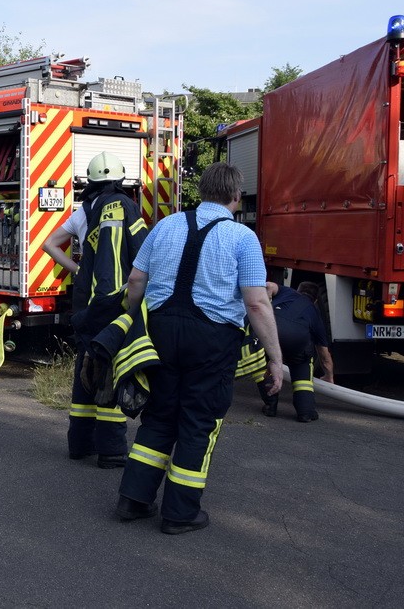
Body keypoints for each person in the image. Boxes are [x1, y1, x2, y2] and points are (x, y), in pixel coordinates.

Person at [114, 162, 283, 534]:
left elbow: (136, 280)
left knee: (159, 415)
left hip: (161, 333)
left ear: (202, 191)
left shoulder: (165, 225)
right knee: (198, 422)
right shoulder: (242, 238)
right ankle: (180, 513)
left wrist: (131, 324)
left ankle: (133, 499)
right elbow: (256, 302)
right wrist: (274, 358)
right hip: (211, 340)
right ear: (237, 196)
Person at [42, 151, 148, 469]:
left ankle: (80, 445)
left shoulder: (83, 211)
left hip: (87, 305)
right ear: (119, 180)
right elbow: (141, 255)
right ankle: (112, 451)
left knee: (85, 372)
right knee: (110, 373)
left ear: (91, 181)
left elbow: (49, 244)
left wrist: (77, 269)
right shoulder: (127, 207)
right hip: (114, 303)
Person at [260, 281, 334, 421]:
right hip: (297, 341)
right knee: (302, 368)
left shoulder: (286, 292)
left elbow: (269, 286)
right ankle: (305, 412)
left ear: (297, 290)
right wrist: (328, 376)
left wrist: (267, 302)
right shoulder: (314, 312)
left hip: (271, 331)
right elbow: (324, 355)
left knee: (268, 364)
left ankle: (270, 406)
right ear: (316, 299)